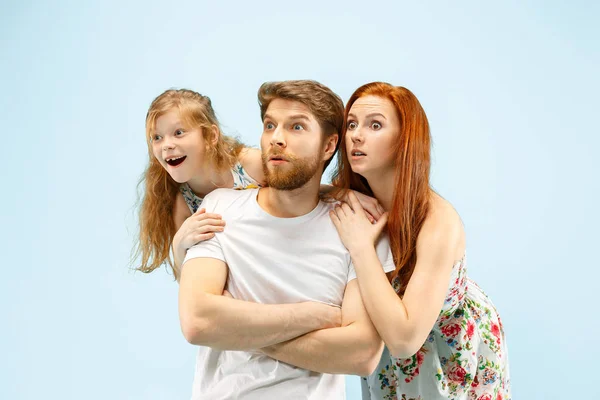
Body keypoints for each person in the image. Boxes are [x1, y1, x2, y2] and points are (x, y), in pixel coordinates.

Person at [178, 80, 396, 399]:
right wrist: (311, 316)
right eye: (270, 125)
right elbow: (197, 322)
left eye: (296, 127)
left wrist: (236, 328)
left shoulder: (360, 226)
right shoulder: (220, 208)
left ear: (328, 145)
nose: (277, 138)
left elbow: (361, 354)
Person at [330, 82, 511, 400]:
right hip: (390, 358)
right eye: (351, 124)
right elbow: (258, 172)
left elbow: (404, 339)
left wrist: (360, 247)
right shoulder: (355, 199)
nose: (356, 135)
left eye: (375, 125)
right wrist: (329, 192)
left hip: (448, 356)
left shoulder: (438, 222)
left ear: (405, 139)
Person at [134, 88, 382, 280]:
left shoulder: (247, 164)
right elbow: (186, 278)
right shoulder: (182, 200)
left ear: (210, 136)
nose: (166, 144)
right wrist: (179, 246)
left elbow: (295, 186)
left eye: (178, 133)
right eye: (156, 137)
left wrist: (342, 194)